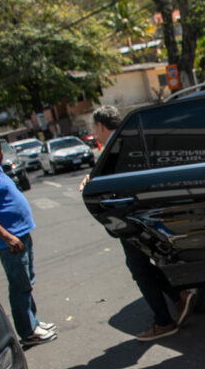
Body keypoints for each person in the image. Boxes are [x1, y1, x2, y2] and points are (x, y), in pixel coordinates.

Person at [79, 105, 196, 340]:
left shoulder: (114, 147)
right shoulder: (129, 139)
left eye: (95, 127)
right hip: (144, 211)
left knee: (139, 269)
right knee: (143, 264)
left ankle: (164, 320)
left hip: (129, 214)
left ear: (101, 126)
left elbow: (112, 184)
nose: (96, 132)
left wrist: (89, 187)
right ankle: (178, 295)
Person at [0, 133, 57, 346]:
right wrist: (6, 236)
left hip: (20, 234)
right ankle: (27, 332)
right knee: (19, 285)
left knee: (26, 281)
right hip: (9, 241)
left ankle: (32, 323)